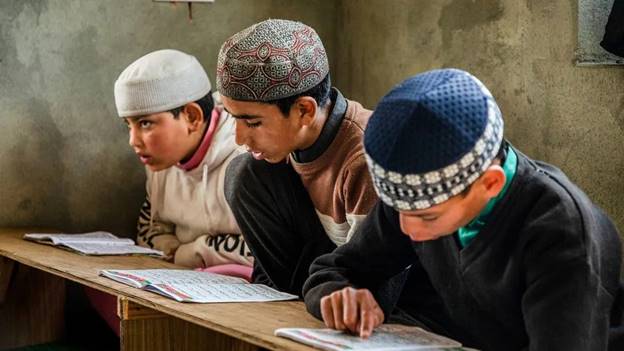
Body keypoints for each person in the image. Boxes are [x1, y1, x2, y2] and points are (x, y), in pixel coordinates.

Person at [303, 68, 624, 351]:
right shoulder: (415, 200)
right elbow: (333, 271)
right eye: (400, 211)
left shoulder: (562, 231)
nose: (408, 230)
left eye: (429, 217)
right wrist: (340, 295)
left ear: (490, 184)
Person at [217, 19, 377, 296]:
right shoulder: (286, 149)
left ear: (304, 110)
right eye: (234, 119)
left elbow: (374, 279)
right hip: (316, 283)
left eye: (253, 123)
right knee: (245, 173)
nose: (240, 139)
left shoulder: (365, 160)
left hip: (374, 295)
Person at [114, 49, 252, 270]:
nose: (133, 141)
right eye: (128, 125)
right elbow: (151, 229)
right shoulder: (159, 160)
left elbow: (267, 251)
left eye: (145, 123)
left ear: (192, 117)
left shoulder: (248, 157)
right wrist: (171, 249)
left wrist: (190, 253)